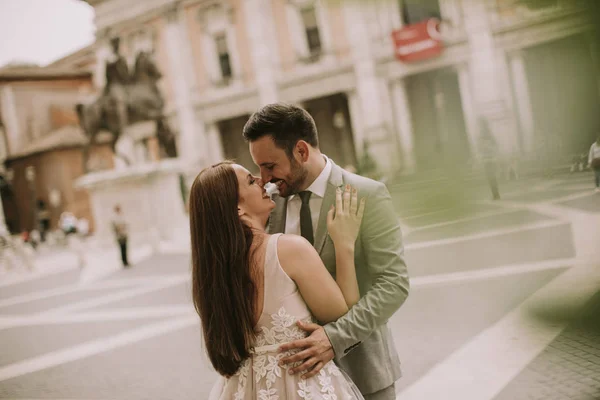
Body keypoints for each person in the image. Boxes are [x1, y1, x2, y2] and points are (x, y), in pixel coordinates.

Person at [243, 103, 409, 400]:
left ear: (301, 152)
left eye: (269, 166)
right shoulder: (269, 206)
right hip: (297, 384)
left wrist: (334, 338)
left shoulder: (368, 194)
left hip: (364, 373)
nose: (264, 178)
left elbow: (393, 285)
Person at [192, 162, 365, 399]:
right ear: (238, 209)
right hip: (301, 387)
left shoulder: (213, 273)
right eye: (251, 181)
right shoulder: (289, 250)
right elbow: (341, 313)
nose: (263, 181)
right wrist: (344, 244)